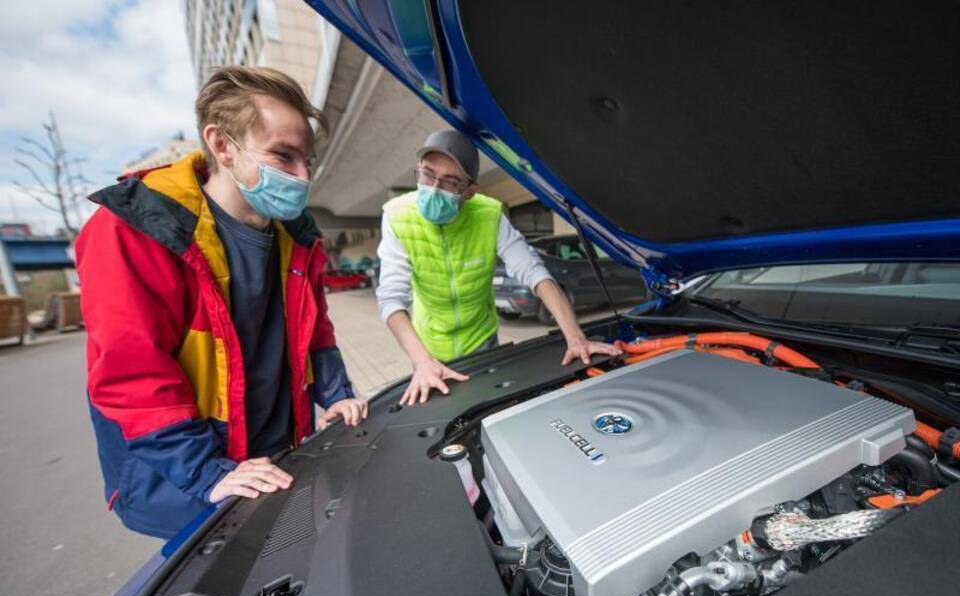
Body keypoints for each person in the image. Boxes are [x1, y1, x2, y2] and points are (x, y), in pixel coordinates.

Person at [76, 66, 367, 538]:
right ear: (223, 144)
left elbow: (315, 333)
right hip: (190, 478)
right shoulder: (136, 229)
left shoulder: (297, 238)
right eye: (284, 156)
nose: (302, 176)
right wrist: (209, 473)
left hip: (274, 458)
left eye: (306, 160)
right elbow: (133, 374)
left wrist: (335, 396)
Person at [377, 129, 622, 405]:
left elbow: (534, 272)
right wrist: (422, 362)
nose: (433, 188)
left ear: (469, 192)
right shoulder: (397, 216)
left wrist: (576, 338)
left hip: (483, 347)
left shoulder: (489, 215)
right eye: (427, 174)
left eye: (450, 182)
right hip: (428, 351)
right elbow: (391, 297)